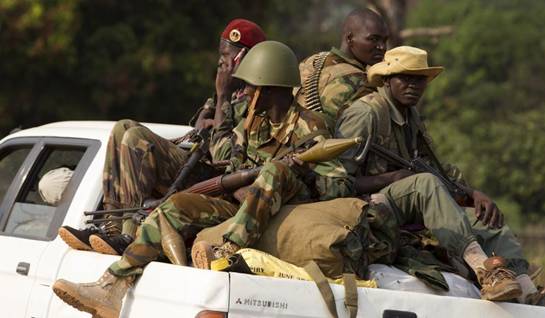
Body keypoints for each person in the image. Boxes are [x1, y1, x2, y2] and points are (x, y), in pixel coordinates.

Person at [52, 40, 354, 318]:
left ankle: (227, 250)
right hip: (241, 206)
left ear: (269, 88)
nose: (246, 92)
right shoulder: (253, 121)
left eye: (250, 86)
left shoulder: (311, 127)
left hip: (282, 210)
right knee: (174, 207)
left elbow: (338, 187)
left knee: (277, 170)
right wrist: (237, 187)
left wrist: (300, 169)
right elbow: (233, 163)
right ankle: (111, 287)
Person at [335, 46, 545, 307]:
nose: (413, 85)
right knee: (425, 184)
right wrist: (393, 178)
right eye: (405, 78)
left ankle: (530, 295)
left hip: (409, 202)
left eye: (419, 79)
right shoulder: (366, 114)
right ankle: (485, 271)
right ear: (387, 80)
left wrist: (471, 194)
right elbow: (335, 182)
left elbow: (435, 168)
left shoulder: (410, 116)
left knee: (485, 218)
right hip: (366, 206)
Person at [57, 19, 266, 256]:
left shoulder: (255, 99)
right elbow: (198, 132)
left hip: (220, 184)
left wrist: (222, 96)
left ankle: (129, 234)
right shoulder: (232, 92)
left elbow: (223, 157)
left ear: (246, 58)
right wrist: (209, 118)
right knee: (122, 127)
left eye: (228, 56)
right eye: (221, 54)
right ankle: (113, 227)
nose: (221, 62)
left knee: (137, 138)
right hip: (197, 168)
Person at [295, 8, 389, 126]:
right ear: (349, 39)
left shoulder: (310, 61)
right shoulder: (361, 83)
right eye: (373, 39)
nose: (382, 47)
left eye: (385, 40)